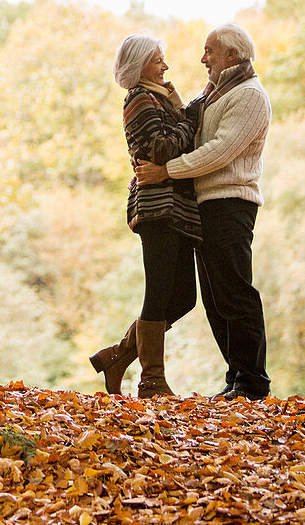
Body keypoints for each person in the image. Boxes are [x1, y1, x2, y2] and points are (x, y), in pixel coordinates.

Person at [135, 22, 272, 401]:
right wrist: (170, 93)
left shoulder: (248, 95)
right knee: (214, 297)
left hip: (232, 203)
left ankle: (252, 382)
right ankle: (235, 378)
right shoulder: (215, 94)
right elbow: (190, 123)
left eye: (210, 51)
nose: (202, 59)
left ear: (232, 55)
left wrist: (167, 171)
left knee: (235, 291)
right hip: (206, 204)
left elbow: (219, 150)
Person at [91, 33, 202, 398]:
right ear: (140, 66)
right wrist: (191, 116)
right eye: (158, 59)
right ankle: (151, 380)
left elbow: (170, 144)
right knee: (158, 292)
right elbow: (163, 148)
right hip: (156, 208)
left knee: (185, 297)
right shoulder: (139, 99)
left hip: (178, 209)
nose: (165, 66)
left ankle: (118, 356)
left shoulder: (158, 99)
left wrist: (180, 114)